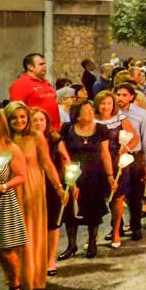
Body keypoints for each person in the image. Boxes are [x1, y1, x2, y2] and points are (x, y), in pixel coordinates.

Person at [5, 101, 64, 290]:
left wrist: (58, 186)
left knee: (31, 233)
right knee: (12, 236)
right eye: (14, 117)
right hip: (9, 189)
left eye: (22, 116)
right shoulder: (2, 139)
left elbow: (47, 164)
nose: (19, 120)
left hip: (32, 188)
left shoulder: (36, 136)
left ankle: (31, 278)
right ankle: (16, 278)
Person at [58, 99, 113, 259]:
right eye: (87, 110)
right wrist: (69, 176)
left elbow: (105, 153)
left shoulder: (101, 129)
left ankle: (92, 242)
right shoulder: (67, 129)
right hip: (73, 174)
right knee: (70, 211)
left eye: (91, 109)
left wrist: (110, 176)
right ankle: (71, 244)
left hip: (94, 176)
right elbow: (63, 154)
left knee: (93, 210)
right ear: (78, 116)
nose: (91, 112)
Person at [0, 108, 30, 290]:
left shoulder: (10, 148)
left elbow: (21, 176)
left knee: (4, 250)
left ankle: (14, 284)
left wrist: (2, 186)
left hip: (1, 204)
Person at [94, 91, 139, 247]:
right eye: (103, 103)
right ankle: (92, 237)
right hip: (96, 163)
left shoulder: (121, 119)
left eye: (109, 103)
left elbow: (134, 138)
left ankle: (116, 231)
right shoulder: (92, 121)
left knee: (117, 197)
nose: (106, 107)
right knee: (96, 199)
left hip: (117, 160)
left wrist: (125, 149)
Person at [30, 107, 69, 275]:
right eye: (35, 120)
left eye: (42, 120)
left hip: (52, 184)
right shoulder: (26, 140)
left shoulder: (54, 139)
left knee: (53, 224)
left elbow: (66, 160)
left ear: (47, 122)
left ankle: (50, 260)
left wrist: (69, 184)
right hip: (33, 184)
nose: (39, 123)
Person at [115, 83, 146, 241]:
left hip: (135, 156)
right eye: (118, 94)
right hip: (117, 157)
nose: (120, 98)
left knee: (135, 194)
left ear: (131, 97)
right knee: (117, 194)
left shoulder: (140, 113)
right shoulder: (112, 113)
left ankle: (136, 226)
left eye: (124, 95)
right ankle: (118, 227)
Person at [9, 53, 61, 130]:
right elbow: (16, 111)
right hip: (35, 131)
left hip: (53, 131)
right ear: (30, 67)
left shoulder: (45, 82)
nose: (45, 66)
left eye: (45, 64)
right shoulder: (20, 84)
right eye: (41, 64)